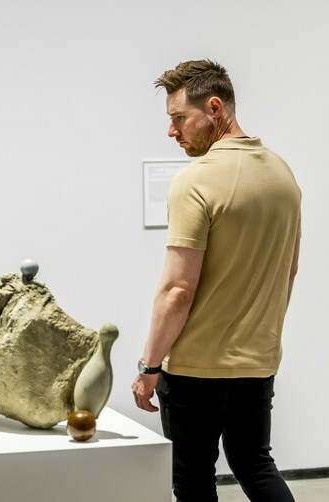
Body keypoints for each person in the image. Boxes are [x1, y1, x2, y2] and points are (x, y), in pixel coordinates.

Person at [132, 59, 301, 502]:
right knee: (255, 464)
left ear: (214, 108)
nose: (172, 131)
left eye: (179, 118)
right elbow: (290, 271)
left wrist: (150, 367)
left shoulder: (196, 181)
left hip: (194, 369)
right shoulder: (283, 176)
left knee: (192, 481)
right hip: (258, 362)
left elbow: (177, 290)